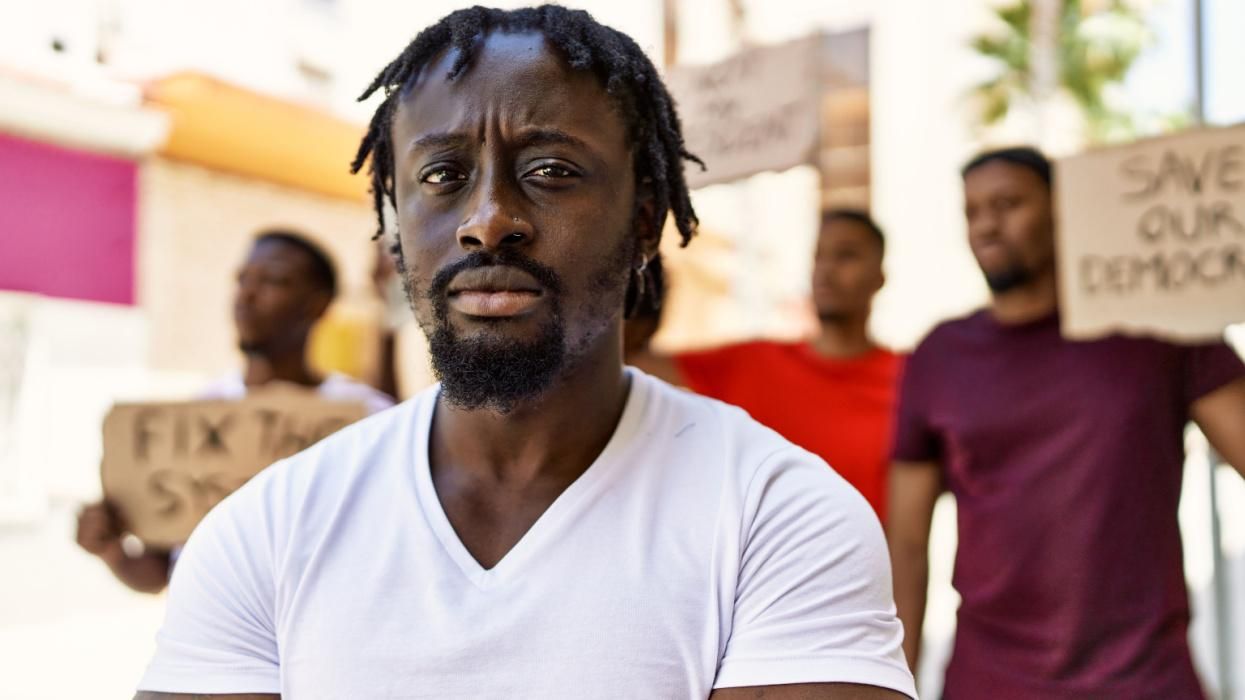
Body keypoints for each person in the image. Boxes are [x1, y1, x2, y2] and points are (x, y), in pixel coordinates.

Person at [133, 7, 915, 699]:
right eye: (442, 174)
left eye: (550, 171)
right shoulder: (266, 532)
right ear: (396, 227)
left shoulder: (777, 520)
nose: (488, 219)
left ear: (644, 220)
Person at [887, 147, 1245, 699]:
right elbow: (907, 544)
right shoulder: (939, 356)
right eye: (973, 211)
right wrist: (895, 684)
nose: (987, 225)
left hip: (1145, 681)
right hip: (990, 683)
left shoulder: (1158, 330)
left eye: (1008, 204)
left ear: (1064, 212)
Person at [75, 230, 393, 594]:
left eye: (272, 280)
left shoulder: (366, 417)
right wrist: (111, 549)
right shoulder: (195, 418)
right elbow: (158, 572)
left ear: (316, 304)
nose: (246, 294)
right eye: (243, 280)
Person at [632, 210, 902, 520]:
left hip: (870, 565)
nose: (826, 270)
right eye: (819, 256)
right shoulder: (753, 362)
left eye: (846, 256)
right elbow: (635, 358)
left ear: (880, 277)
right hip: (762, 564)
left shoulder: (910, 379)